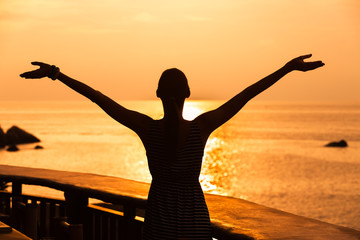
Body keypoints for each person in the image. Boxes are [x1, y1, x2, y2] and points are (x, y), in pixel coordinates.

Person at [20, 54, 324, 239]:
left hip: (158, 224)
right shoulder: (201, 128)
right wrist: (286, 69)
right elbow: (246, 94)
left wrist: (57, 74)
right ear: (189, 93)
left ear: (157, 94)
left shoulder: (147, 128)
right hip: (194, 222)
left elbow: (98, 97)